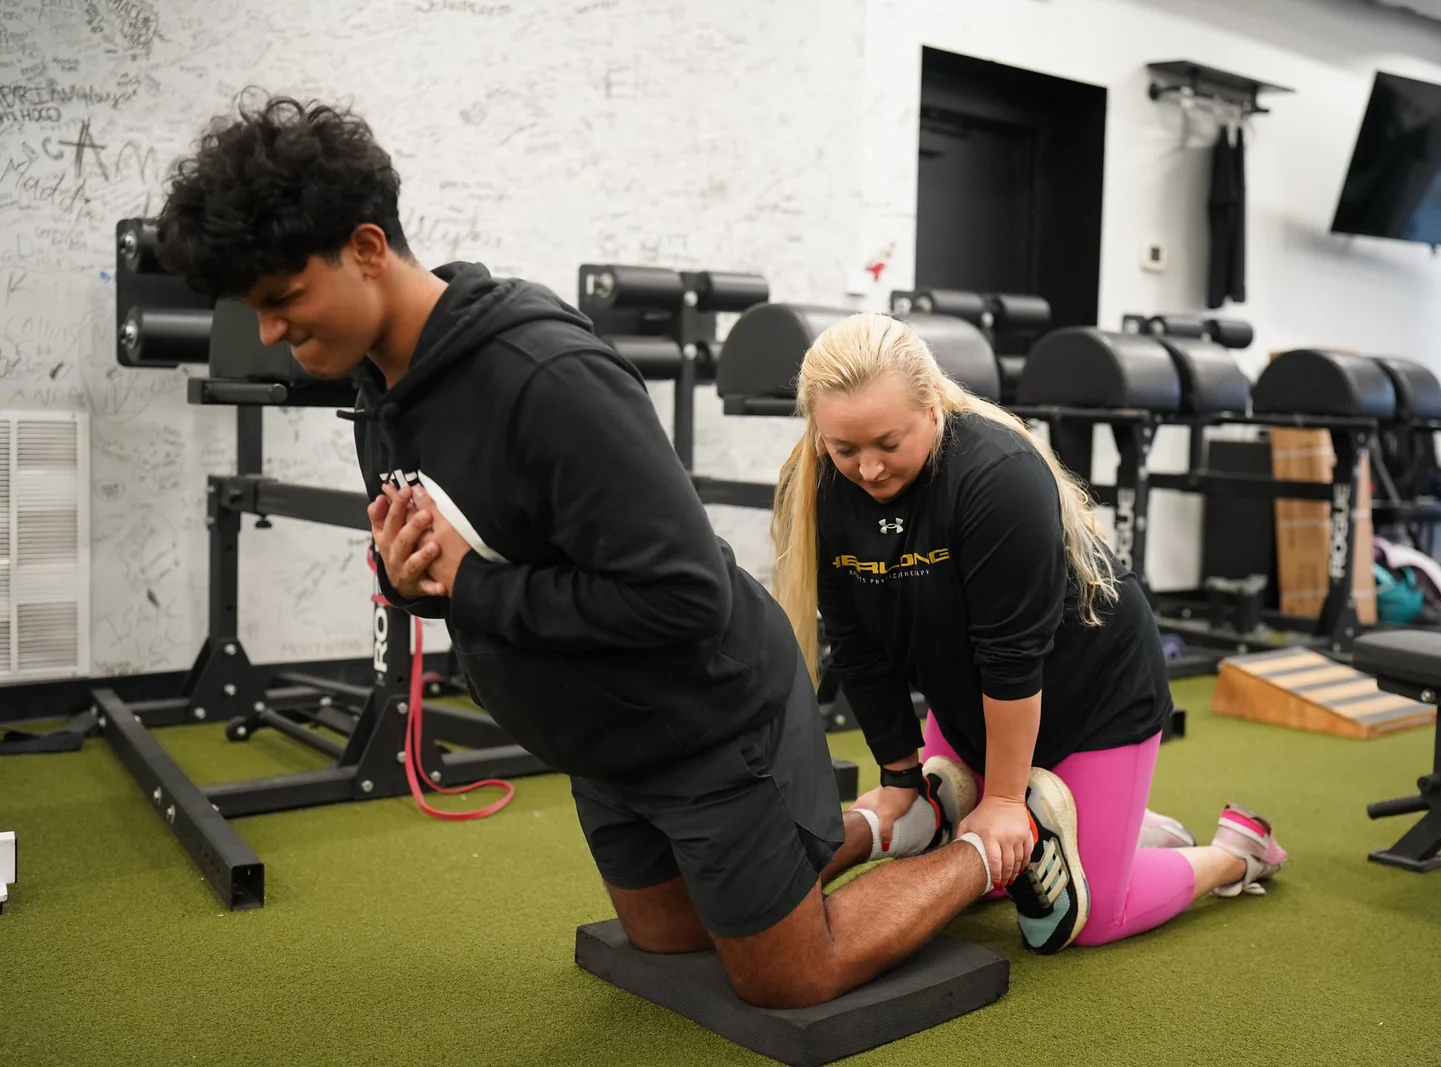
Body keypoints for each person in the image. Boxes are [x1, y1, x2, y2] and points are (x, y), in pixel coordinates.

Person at [151, 94, 1016, 1009]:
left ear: (366, 249)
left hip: (708, 720)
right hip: (604, 739)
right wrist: (408, 583)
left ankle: (990, 839)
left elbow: (685, 595)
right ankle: (897, 822)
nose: (270, 333)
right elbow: (451, 558)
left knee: (787, 977)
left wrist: (469, 589)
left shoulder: (545, 377)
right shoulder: (380, 390)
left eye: (283, 300)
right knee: (669, 935)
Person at [770, 312, 1288, 952]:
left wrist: (1006, 798)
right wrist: (902, 778)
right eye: (845, 449)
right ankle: (1111, 827)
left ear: (931, 407)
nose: (869, 469)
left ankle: (1237, 853)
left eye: (888, 443)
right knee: (984, 874)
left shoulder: (995, 473)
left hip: (1092, 688)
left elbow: (1011, 655)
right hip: (971, 698)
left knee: (1090, 919)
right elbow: (857, 648)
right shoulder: (818, 485)